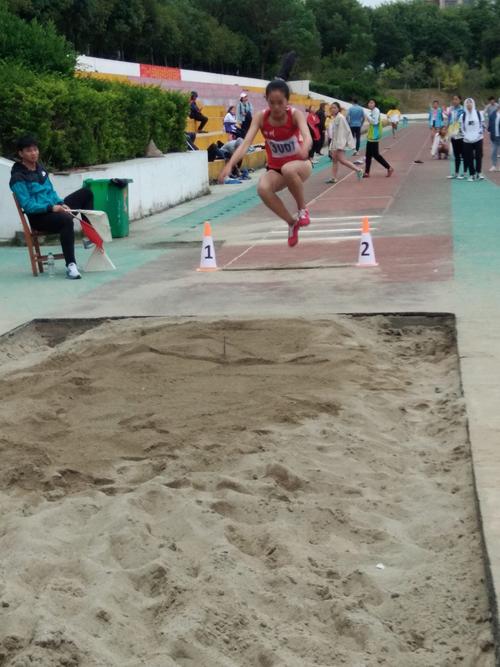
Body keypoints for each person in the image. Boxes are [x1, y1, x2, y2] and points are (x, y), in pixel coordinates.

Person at [219, 79, 312, 247]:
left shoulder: (295, 115)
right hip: (276, 170)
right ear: (266, 100)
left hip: (301, 165)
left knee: (288, 169)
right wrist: (230, 165)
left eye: (280, 102)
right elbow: (246, 143)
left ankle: (302, 209)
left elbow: (307, 135)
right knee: (262, 188)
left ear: (287, 101)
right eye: (271, 102)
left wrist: (305, 147)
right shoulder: (261, 117)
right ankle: (291, 223)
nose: (276, 107)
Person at [10, 136, 94, 279]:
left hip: (55, 209)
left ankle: (89, 236)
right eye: (29, 150)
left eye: (35, 149)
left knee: (86, 193)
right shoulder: (18, 177)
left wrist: (60, 203)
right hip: (39, 218)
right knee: (66, 220)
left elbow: (51, 192)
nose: (33, 153)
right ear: (21, 153)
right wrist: (51, 208)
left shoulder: (40, 170)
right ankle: (71, 266)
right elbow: (28, 205)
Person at [326, 102, 363, 184]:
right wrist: (332, 145)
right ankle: (334, 178)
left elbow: (344, 132)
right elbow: (335, 133)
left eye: (335, 107)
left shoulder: (340, 118)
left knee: (342, 160)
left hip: (339, 143)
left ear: (338, 109)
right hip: (335, 143)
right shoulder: (335, 118)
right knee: (335, 160)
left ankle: (358, 170)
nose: (333, 109)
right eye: (331, 108)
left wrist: (340, 145)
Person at [364, 99, 394, 179]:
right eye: (369, 103)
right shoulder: (372, 111)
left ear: (375, 104)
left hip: (375, 135)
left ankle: (389, 168)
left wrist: (367, 116)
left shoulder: (376, 111)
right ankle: (367, 172)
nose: (370, 104)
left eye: (372, 103)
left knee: (375, 155)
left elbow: (375, 122)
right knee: (368, 155)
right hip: (371, 135)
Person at [461, 97, 485, 181]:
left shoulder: (478, 113)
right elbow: (462, 128)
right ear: (465, 104)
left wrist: (479, 134)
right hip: (467, 140)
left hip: (478, 138)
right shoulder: (463, 116)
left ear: (473, 104)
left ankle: (479, 172)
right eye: (467, 103)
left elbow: (482, 126)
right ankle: (472, 174)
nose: (469, 104)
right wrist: (465, 136)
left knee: (479, 156)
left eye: (470, 102)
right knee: (469, 157)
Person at [446, 94, 465, 179]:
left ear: (460, 100)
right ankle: (456, 173)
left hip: (461, 135)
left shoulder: (463, 110)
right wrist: (448, 132)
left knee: (463, 155)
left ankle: (464, 173)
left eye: (456, 99)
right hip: (453, 135)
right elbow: (449, 121)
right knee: (456, 155)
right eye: (453, 99)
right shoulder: (451, 110)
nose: (454, 101)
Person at [487, 99, 500, 172]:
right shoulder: (493, 113)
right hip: (494, 136)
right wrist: (489, 131)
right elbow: (490, 123)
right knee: (494, 152)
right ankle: (494, 166)